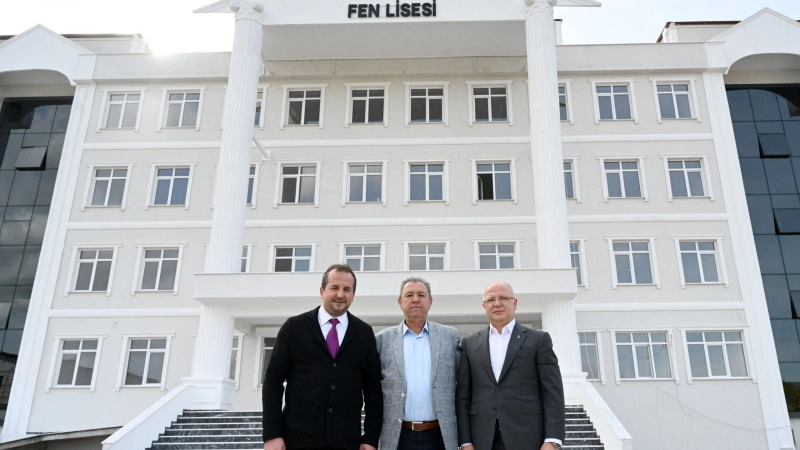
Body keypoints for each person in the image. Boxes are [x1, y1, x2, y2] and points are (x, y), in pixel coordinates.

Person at [262, 264, 383, 450]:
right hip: (297, 440)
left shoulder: (364, 333)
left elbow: (373, 389)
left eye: (347, 289)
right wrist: (272, 434)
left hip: (346, 442)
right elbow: (273, 382)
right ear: (322, 291)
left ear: (353, 294)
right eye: (334, 287)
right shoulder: (294, 328)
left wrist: (370, 438)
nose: (340, 294)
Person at [456, 281, 565, 450]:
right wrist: (465, 442)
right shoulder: (470, 343)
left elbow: (552, 392)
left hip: (528, 436)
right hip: (482, 438)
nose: (497, 303)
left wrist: (552, 440)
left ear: (515, 303)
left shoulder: (538, 340)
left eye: (503, 298)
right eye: (491, 300)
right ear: (484, 306)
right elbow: (463, 396)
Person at [375, 277, 461, 450]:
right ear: (400, 302)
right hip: (398, 437)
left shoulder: (451, 337)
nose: (415, 299)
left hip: (440, 436)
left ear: (430, 302)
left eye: (421, 295)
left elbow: (463, 386)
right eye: (409, 295)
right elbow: (372, 391)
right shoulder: (382, 340)